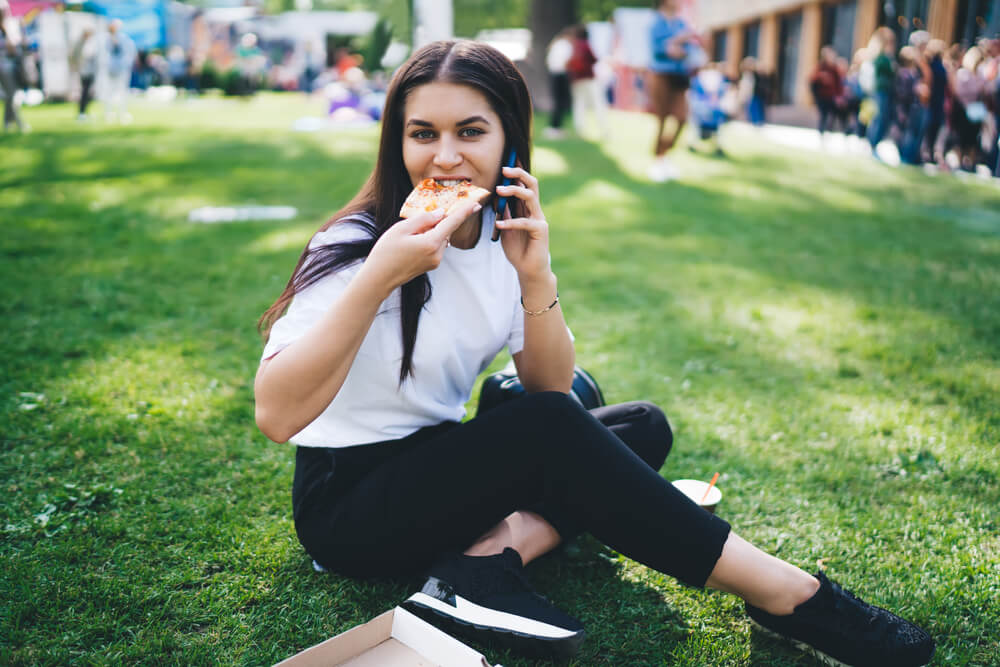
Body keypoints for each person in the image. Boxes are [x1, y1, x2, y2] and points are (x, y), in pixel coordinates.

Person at [253, 39, 936, 666]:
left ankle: (485, 559)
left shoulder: (500, 235)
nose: (445, 157)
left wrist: (535, 278)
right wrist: (379, 275)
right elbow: (277, 416)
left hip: (436, 463)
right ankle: (789, 592)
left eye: (471, 132)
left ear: (508, 143)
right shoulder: (352, 246)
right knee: (553, 429)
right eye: (422, 133)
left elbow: (550, 385)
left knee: (635, 422)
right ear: (396, 141)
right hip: (349, 505)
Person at [646, 0, 699, 182]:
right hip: (660, 74)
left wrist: (681, 49)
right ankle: (658, 160)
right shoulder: (655, 22)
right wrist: (673, 44)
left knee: (682, 117)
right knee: (662, 118)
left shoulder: (681, 23)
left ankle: (664, 152)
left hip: (679, 75)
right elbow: (656, 48)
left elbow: (690, 46)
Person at [566, 24, 609, 140]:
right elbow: (594, 59)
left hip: (577, 80)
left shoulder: (574, 46)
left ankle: (580, 129)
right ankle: (604, 129)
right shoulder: (585, 45)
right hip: (589, 79)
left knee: (579, 104)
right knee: (598, 103)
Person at [867, 27, 897, 157]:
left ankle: (875, 144)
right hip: (880, 91)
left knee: (883, 118)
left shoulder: (886, 57)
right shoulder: (880, 57)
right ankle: (872, 144)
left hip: (887, 91)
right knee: (878, 118)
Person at [102, 18, 136, 124]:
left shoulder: (124, 39)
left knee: (121, 92)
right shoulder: (107, 39)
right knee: (110, 92)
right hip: (112, 68)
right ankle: (109, 114)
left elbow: (130, 53)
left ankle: (121, 113)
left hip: (121, 69)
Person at [0, 0, 27, 132]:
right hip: (4, 67)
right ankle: (16, 122)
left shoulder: (10, 26)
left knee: (11, 95)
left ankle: (8, 122)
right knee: (11, 95)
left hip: (11, 66)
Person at [543, 28, 573, 139]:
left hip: (553, 74)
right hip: (561, 74)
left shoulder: (556, 44)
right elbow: (567, 61)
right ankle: (556, 127)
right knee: (560, 101)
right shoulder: (565, 45)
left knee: (557, 101)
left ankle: (555, 127)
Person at [810, 46, 844, 136]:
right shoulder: (820, 67)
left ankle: (829, 130)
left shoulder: (834, 69)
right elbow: (812, 80)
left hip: (831, 96)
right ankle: (821, 131)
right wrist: (821, 77)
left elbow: (838, 83)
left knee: (833, 113)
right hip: (822, 96)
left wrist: (839, 95)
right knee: (823, 114)